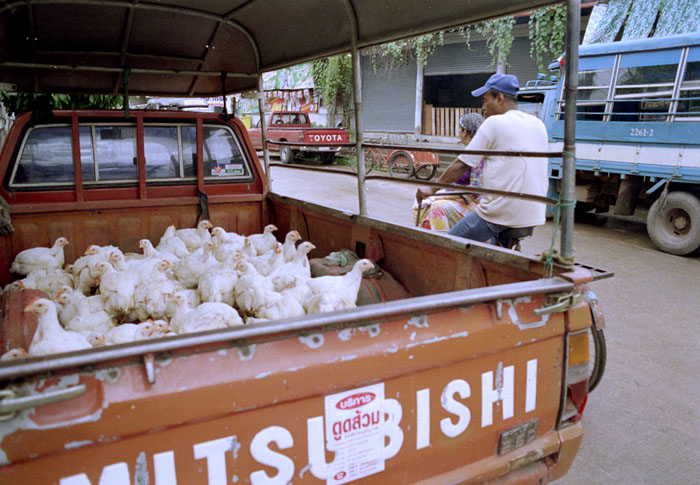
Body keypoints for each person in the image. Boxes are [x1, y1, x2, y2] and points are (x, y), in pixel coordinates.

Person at [416, 73, 549, 245]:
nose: (483, 107)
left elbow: (461, 164)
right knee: (491, 251)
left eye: (485, 100)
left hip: (499, 213)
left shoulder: (494, 123)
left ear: (499, 97)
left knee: (447, 244)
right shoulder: (538, 124)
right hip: (535, 212)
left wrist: (431, 189)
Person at [412, 113, 485, 231]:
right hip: (461, 198)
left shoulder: (477, 153)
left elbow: (474, 192)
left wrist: (442, 196)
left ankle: (443, 242)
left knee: (437, 206)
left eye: (459, 129)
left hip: (476, 204)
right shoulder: (471, 151)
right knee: (422, 201)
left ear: (465, 132)